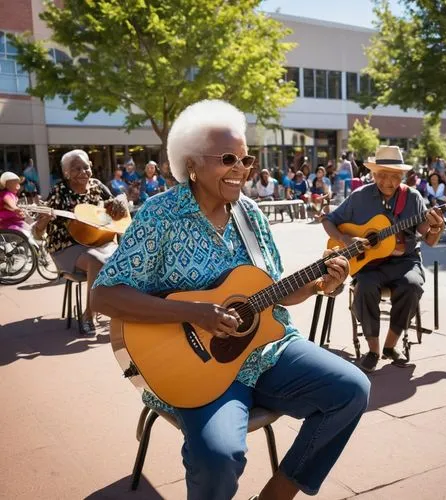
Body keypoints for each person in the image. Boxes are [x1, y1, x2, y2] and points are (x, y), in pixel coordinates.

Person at [91, 99, 370, 500]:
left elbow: (272, 291)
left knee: (352, 390)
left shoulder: (251, 214)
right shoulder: (160, 215)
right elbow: (104, 295)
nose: (240, 169)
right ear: (191, 163)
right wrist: (193, 312)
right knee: (219, 456)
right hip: (196, 367)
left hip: (268, 352)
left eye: (246, 160)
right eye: (227, 159)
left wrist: (321, 283)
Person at [322, 145, 445, 373]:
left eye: (394, 177)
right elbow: (328, 220)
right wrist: (345, 239)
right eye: (382, 176)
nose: (388, 182)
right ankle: (373, 349)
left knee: (412, 286)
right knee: (365, 287)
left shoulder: (413, 198)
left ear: (402, 176)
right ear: (374, 174)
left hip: (405, 260)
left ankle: (390, 346)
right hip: (370, 264)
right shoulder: (359, 197)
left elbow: (429, 239)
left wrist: (436, 227)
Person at [31, 149, 128, 336]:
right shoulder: (59, 190)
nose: (83, 172)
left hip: (98, 241)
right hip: (66, 248)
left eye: (86, 167)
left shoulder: (98, 186)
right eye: (76, 169)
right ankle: (88, 315)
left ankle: (122, 309)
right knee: (96, 261)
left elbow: (117, 208)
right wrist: (42, 222)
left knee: (126, 258)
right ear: (66, 173)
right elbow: (37, 232)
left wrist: (117, 208)